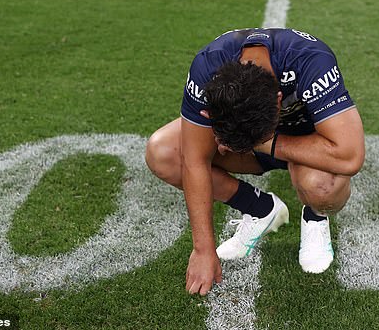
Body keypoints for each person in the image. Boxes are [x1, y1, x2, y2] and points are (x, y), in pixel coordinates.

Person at [145, 28, 364, 296]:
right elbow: (194, 161)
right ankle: (260, 208)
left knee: (321, 186)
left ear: (278, 101)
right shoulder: (208, 67)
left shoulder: (311, 60)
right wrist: (203, 249)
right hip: (258, 135)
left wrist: (265, 143)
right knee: (163, 152)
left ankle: (315, 217)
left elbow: (351, 155)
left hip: (309, 142)